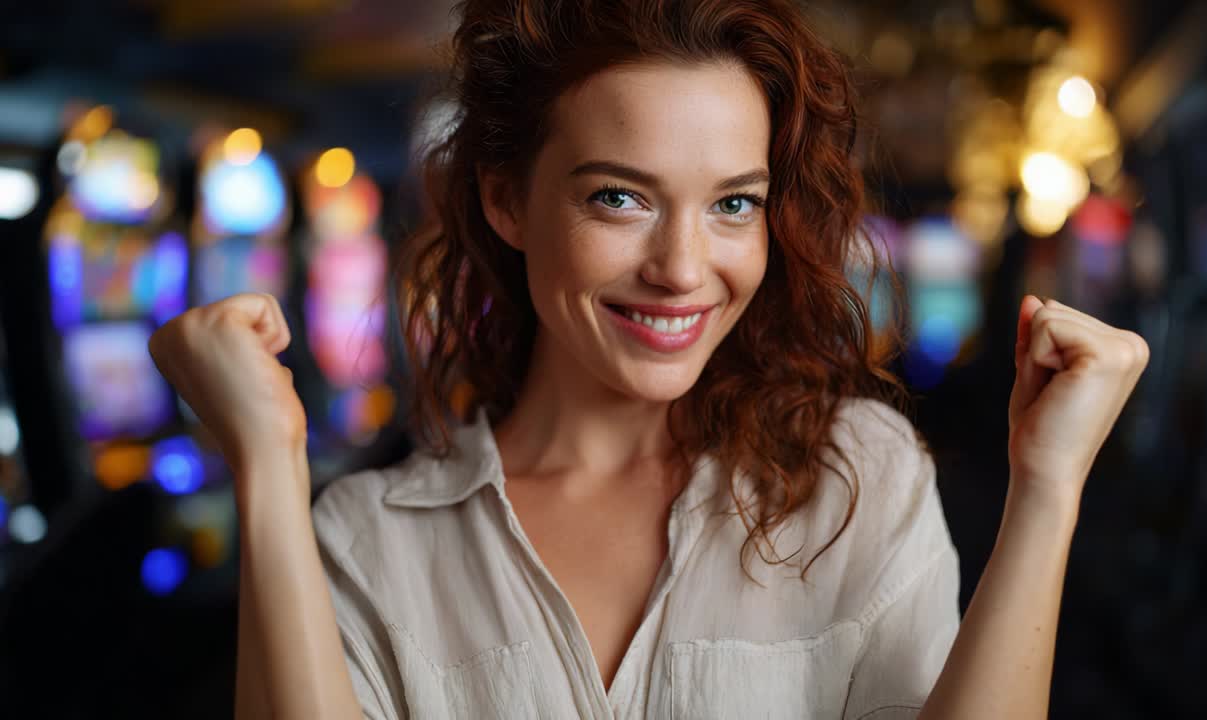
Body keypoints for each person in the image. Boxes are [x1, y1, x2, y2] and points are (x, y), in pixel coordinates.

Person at [148, 0, 1150, 717]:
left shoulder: (858, 472)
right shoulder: (368, 538)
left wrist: (1047, 489)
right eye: (617, 197)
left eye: (731, 204)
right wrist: (267, 468)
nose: (681, 269)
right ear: (506, 199)